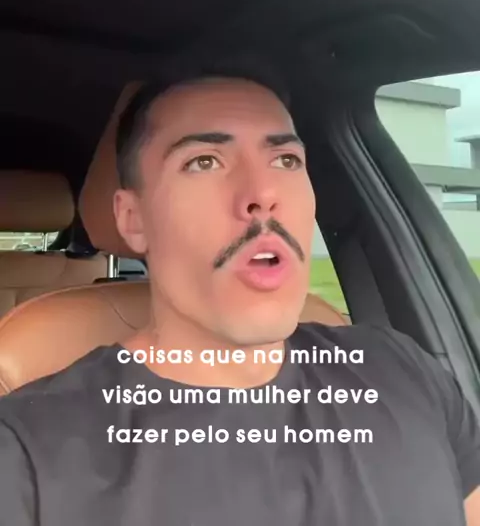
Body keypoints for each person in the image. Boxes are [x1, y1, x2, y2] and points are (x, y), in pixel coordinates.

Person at [0, 61, 479, 526]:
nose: (264, 193)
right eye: (204, 161)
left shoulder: (403, 368)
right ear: (132, 219)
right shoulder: (28, 452)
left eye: (286, 160)